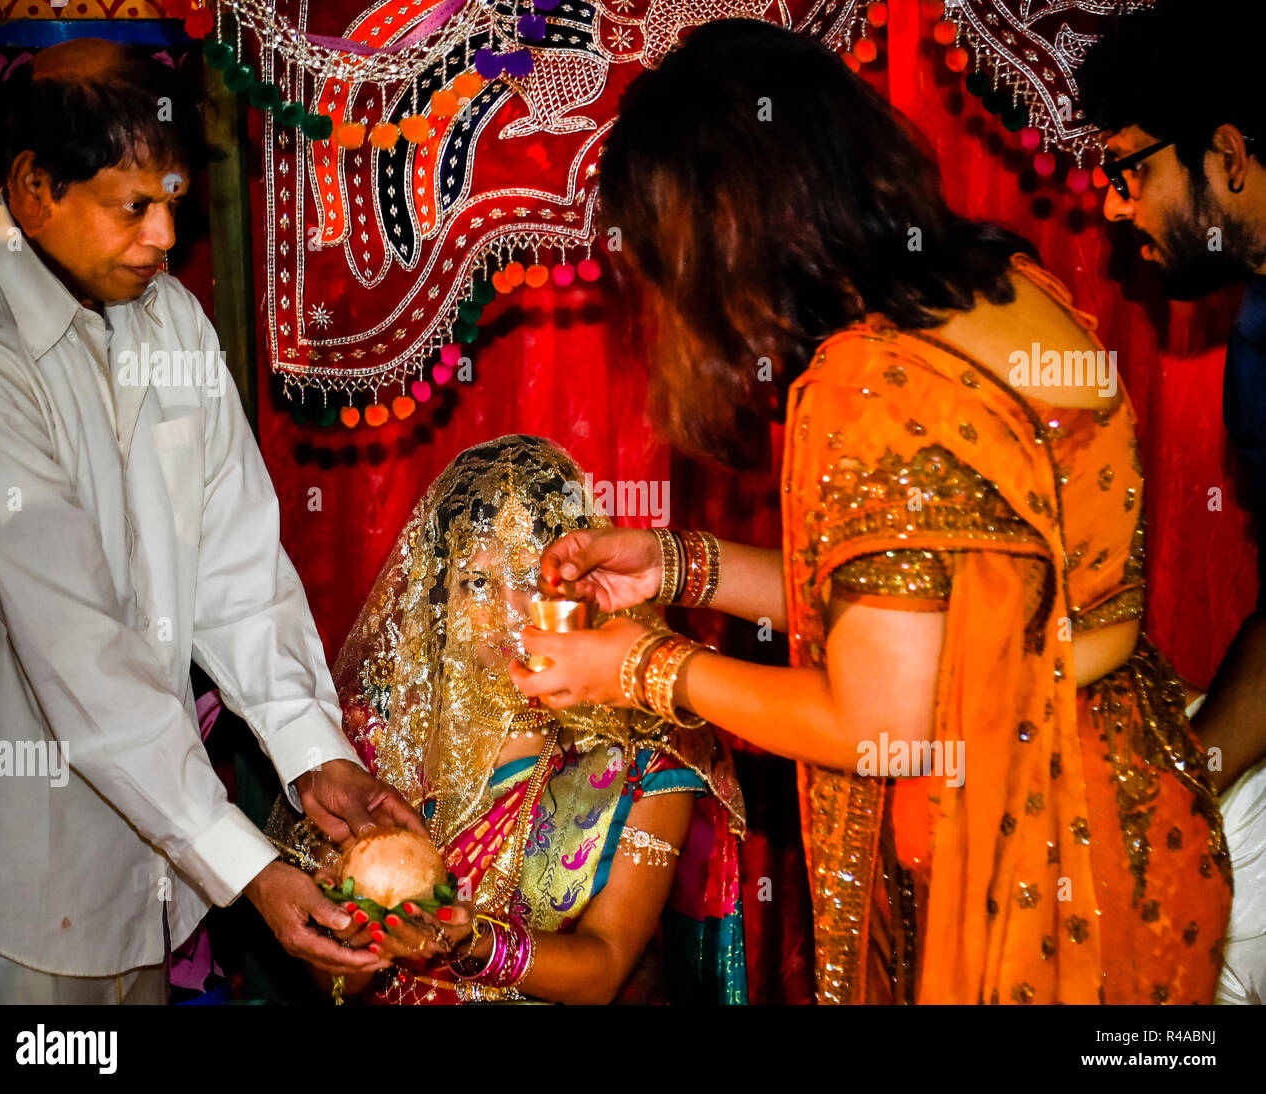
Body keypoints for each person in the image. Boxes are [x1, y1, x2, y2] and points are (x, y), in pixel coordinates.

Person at [510, 19, 1230, 1004]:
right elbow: (917, 616)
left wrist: (636, 667)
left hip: (1021, 877)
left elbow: (878, 710)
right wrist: (679, 567)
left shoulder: (869, 378)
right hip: (1131, 817)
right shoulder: (1005, 286)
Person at [0, 39, 429, 1004]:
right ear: (33, 186)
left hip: (159, 881)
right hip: (18, 887)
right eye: (134, 205)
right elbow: (81, 654)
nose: (166, 235)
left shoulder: (170, 321)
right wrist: (248, 865)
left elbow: (237, 569)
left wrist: (314, 757)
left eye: (174, 199)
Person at [270, 435, 747, 1004]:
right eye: (476, 582)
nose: (506, 611)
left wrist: (471, 941)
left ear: (580, 584)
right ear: (439, 592)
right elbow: (338, 981)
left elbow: (605, 966)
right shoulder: (377, 740)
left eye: (527, 578)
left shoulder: (647, 757)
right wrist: (356, 936)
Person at [1078, 0, 1266, 1004]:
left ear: (1227, 154)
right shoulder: (1254, 333)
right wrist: (1186, 773)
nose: (1114, 206)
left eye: (1130, 169)